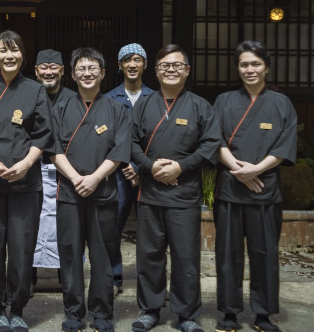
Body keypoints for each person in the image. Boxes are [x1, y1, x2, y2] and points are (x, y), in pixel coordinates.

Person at [130, 44, 221, 332]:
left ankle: (187, 315)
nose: (171, 69)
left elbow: (211, 145)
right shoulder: (143, 104)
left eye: (177, 65)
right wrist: (150, 167)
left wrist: (181, 166)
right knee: (150, 255)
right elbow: (129, 143)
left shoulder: (199, 106)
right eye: (165, 65)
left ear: (187, 71)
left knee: (186, 257)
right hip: (151, 194)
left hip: (184, 194)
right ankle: (150, 309)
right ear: (155, 71)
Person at [0, 30, 54, 332]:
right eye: (3, 50)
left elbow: (43, 133)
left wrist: (27, 163)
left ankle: (16, 307)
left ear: (22, 55)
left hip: (25, 180)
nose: (9, 56)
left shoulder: (35, 90)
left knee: (21, 246)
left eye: (15, 50)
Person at [212, 41, 297, 332]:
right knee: (227, 253)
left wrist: (257, 169)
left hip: (265, 188)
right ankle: (229, 312)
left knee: (264, 253)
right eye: (244, 64)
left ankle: (263, 313)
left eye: (255, 64)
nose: (250, 69)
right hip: (231, 189)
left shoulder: (281, 103)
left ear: (267, 67)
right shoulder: (223, 101)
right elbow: (215, 140)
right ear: (238, 69)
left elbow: (285, 146)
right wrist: (238, 169)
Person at [50, 48, 130, 332]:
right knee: (70, 256)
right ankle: (73, 314)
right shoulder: (59, 108)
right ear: (72, 75)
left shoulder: (117, 110)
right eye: (81, 69)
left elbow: (120, 150)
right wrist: (75, 178)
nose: (87, 73)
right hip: (70, 195)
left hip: (104, 193)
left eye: (92, 68)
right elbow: (54, 150)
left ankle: (102, 315)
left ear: (103, 73)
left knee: (102, 256)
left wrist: (95, 178)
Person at [103, 43, 154, 293]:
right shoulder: (109, 99)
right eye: (126, 60)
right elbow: (108, 139)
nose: (132, 64)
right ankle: (114, 278)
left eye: (137, 60)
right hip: (120, 175)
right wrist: (127, 164)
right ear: (120, 66)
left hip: (148, 175)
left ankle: (150, 283)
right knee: (113, 227)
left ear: (145, 64)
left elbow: (158, 139)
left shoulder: (155, 98)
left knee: (151, 231)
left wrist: (139, 166)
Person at [32, 49, 76, 284]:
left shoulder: (73, 97)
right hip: (32, 167)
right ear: (36, 71)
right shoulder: (27, 93)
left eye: (53, 67)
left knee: (64, 224)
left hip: (63, 169)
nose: (49, 72)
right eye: (44, 67)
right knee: (31, 223)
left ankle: (65, 277)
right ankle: (29, 279)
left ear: (62, 71)